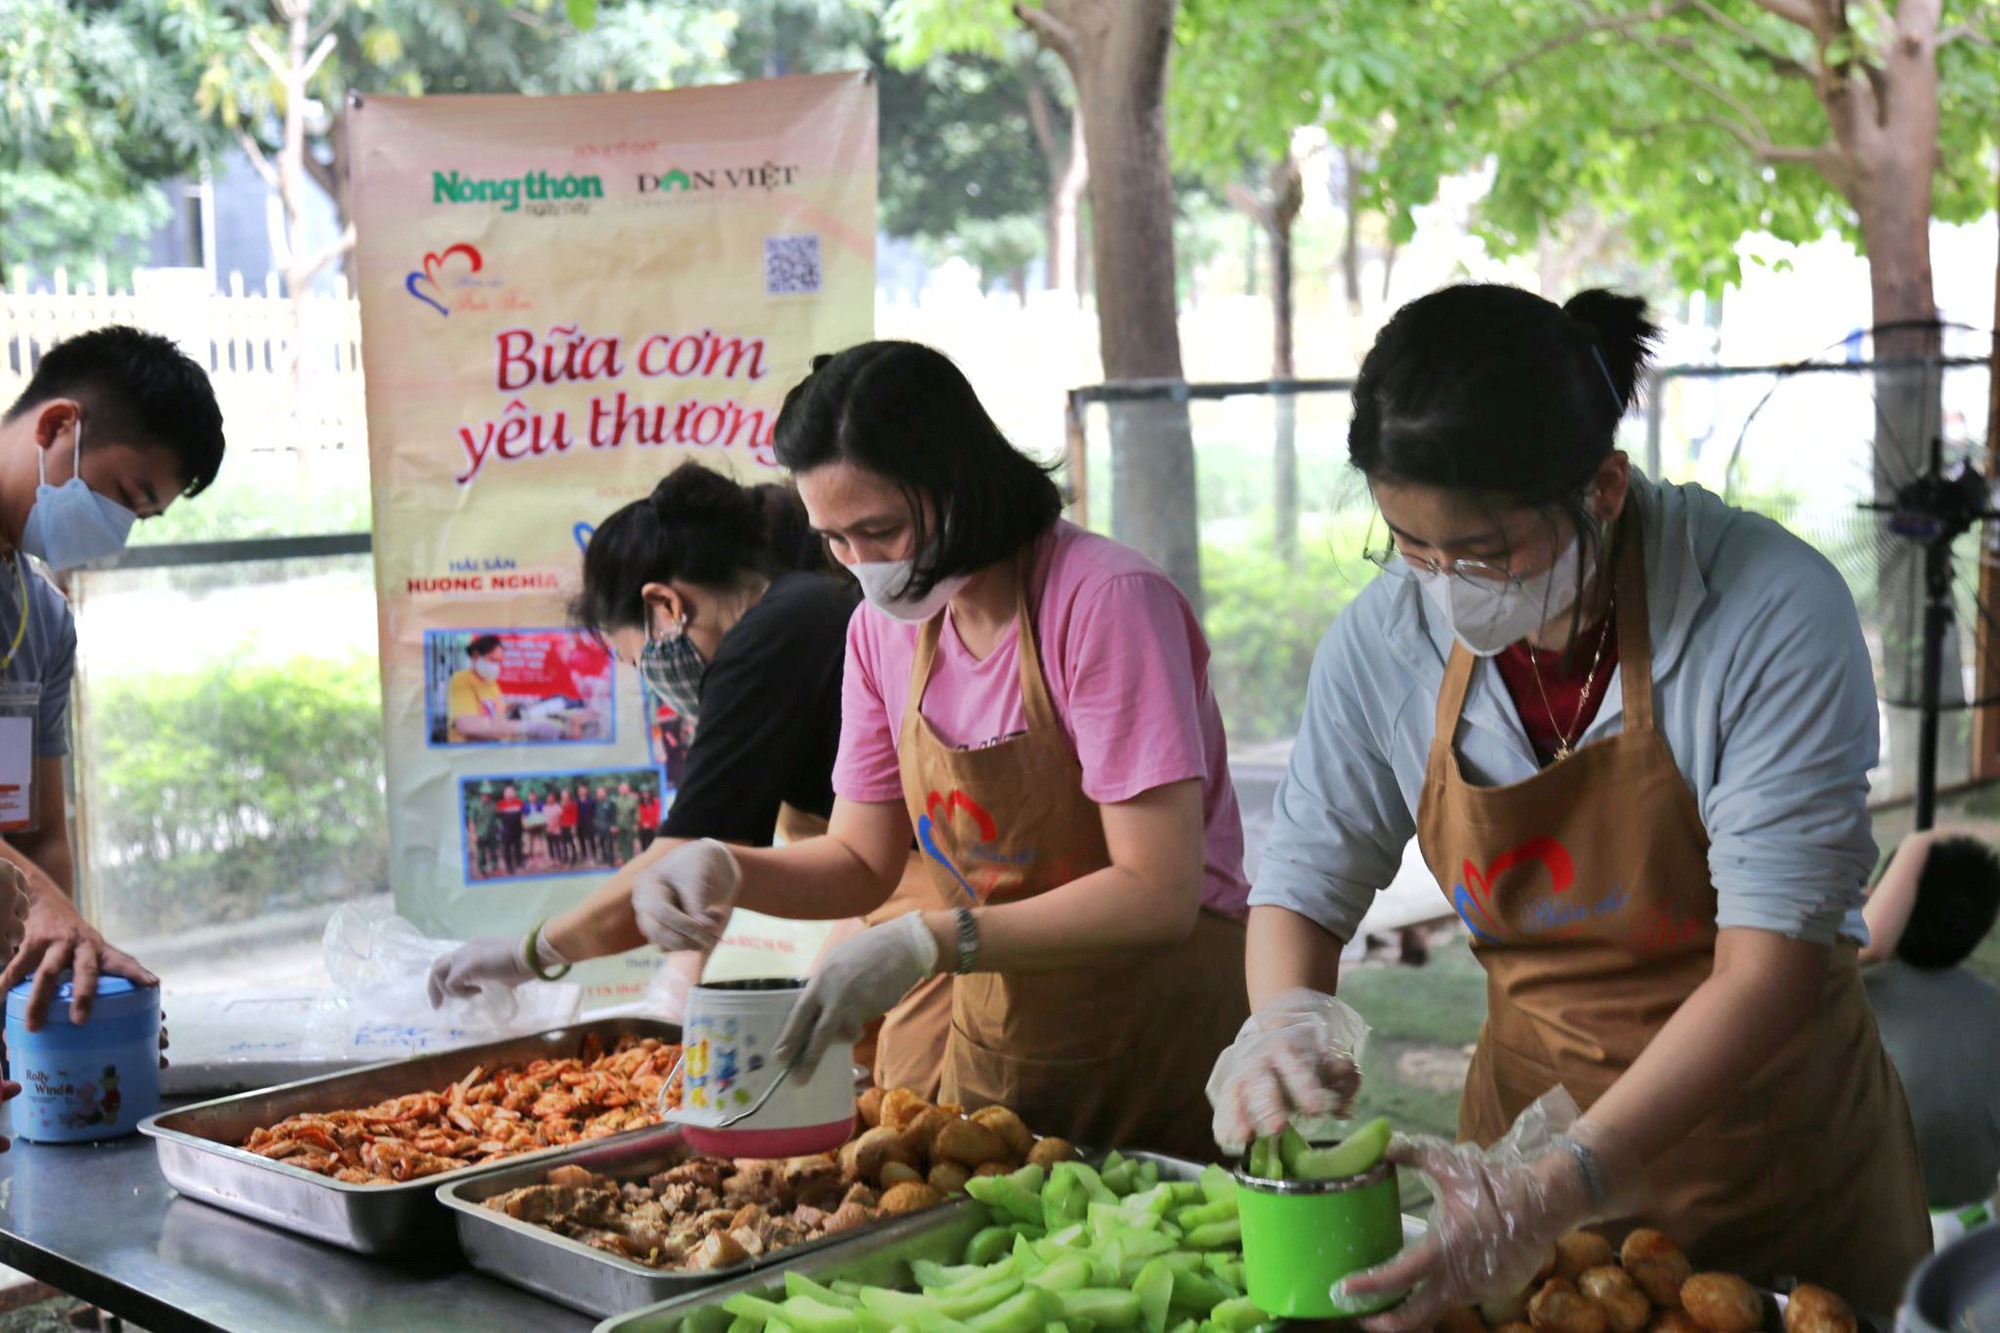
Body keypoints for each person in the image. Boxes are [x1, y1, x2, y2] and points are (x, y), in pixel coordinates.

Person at [1205, 284, 1928, 1321]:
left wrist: (1568, 1180)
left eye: (1484, 554)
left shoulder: (1762, 611)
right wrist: (1282, 1018)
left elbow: (1767, 965)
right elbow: (1306, 883)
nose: (1445, 588)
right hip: (1519, 1153)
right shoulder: (1388, 640)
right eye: (1410, 548)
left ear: (1600, 485)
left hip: (1772, 1155)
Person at [575, 343, 1252, 1160]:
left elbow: (1155, 890)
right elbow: (862, 859)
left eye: (880, 530)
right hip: (1007, 1032)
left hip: (1157, 1031)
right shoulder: (880, 634)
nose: (864, 565)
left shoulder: (1105, 601)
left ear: (962, 483)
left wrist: (929, 940)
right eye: (834, 541)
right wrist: (730, 868)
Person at [429, 462, 949, 1089]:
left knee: (931, 1116)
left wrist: (528, 952)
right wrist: (680, 982)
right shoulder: (802, 611)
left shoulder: (767, 639)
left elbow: (679, 860)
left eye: (637, 657)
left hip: (960, 905)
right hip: (913, 893)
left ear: (664, 605)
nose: (654, 680)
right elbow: (749, 857)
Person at [0, 325, 226, 1031]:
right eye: (126, 494)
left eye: (141, 516)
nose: (119, 529)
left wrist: (66, 984)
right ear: (59, 425)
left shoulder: (42, 620)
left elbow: (39, 834)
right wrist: (46, 903)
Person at [1859, 828, 2000, 1209]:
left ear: (1883, 902)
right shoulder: (1992, 1005)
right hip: (1969, 1218)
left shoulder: (1850, 994)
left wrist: (1917, 843)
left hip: (1872, 1217)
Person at [446, 635, 562, 744]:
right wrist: (524, 727)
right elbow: (466, 725)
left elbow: (492, 709)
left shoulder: (490, 682)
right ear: (476, 656)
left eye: (500, 662)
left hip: (494, 746)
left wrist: (512, 704)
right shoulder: (461, 680)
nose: (496, 666)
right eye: (493, 660)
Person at [496, 784, 525, 875]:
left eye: (512, 792)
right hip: (506, 829)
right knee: (507, 848)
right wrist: (499, 830)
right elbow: (498, 818)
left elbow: (523, 815)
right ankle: (509, 866)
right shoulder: (500, 803)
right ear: (505, 794)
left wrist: (524, 824)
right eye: (508, 793)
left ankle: (520, 862)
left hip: (518, 828)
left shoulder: (519, 802)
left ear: (514, 793)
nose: (510, 795)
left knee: (518, 846)